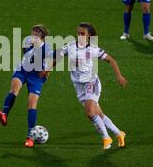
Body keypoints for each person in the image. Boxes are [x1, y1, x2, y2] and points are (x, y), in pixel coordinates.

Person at [55, 22, 128, 150]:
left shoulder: (93, 50)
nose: (79, 36)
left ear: (89, 36)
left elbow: (111, 60)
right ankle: (119, 133)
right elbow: (58, 56)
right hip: (79, 86)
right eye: (78, 33)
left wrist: (119, 76)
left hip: (91, 83)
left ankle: (106, 138)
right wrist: (47, 70)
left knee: (90, 113)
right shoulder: (70, 46)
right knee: (99, 114)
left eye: (82, 34)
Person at [0, 24, 52, 148]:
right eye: (32, 34)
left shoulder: (46, 48)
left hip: (37, 77)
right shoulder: (27, 41)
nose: (33, 37)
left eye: (36, 35)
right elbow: (25, 52)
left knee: (31, 103)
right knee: (14, 90)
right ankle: (4, 114)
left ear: (42, 37)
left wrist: (47, 72)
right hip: (22, 70)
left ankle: (30, 137)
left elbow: (53, 60)